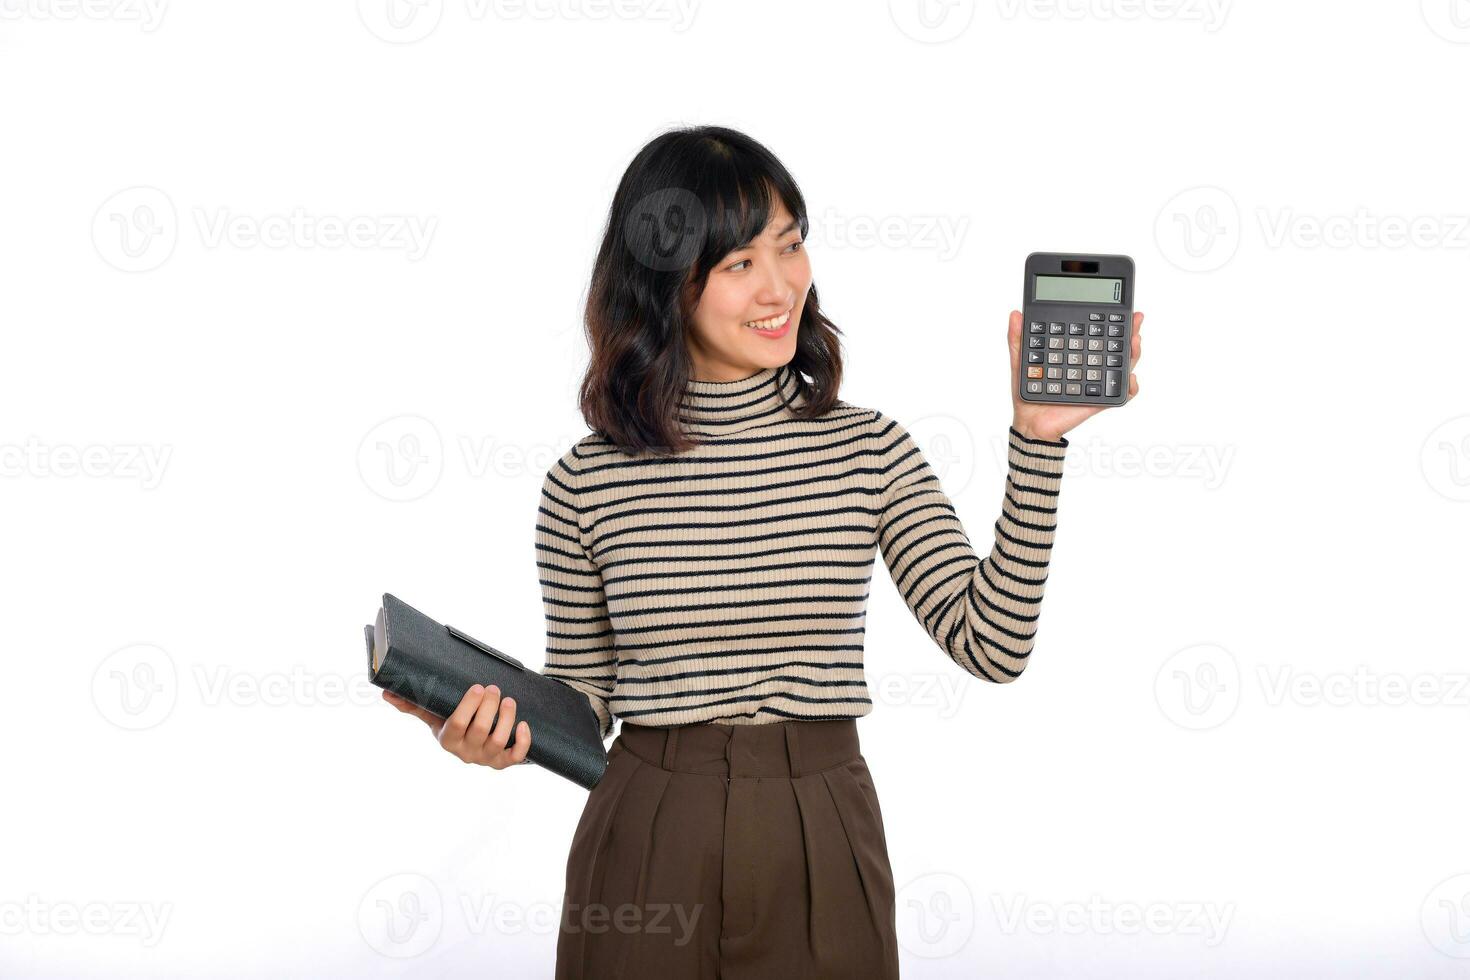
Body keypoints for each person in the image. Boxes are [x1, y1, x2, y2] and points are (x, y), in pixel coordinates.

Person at [382, 124, 1143, 979]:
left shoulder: (870, 451)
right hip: (644, 834)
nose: (781, 287)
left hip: (820, 824)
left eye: (790, 245)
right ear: (668, 283)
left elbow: (994, 645)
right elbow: (586, 697)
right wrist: (492, 725)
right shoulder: (583, 484)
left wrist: (1038, 443)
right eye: (740, 263)